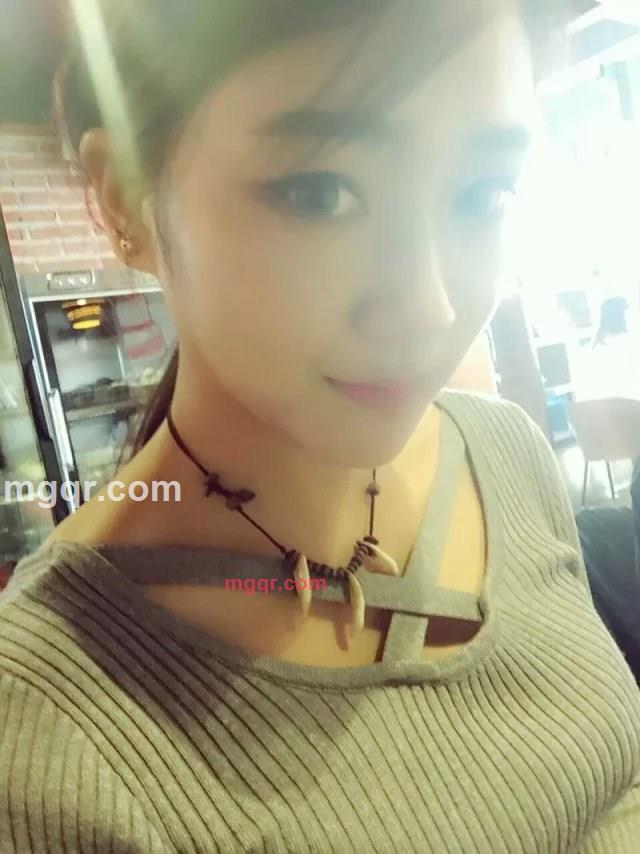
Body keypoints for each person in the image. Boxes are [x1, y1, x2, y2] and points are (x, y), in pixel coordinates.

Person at [1, 2, 640, 851]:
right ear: (127, 198)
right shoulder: (47, 741)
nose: (428, 306)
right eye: (319, 192)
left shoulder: (504, 453)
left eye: (483, 193)